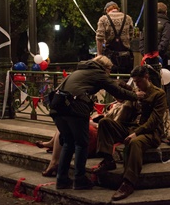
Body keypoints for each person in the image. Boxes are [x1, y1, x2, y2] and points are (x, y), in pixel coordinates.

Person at [50, 56, 142, 190]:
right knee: (81, 143)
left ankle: (62, 179)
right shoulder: (98, 72)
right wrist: (136, 96)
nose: (109, 73)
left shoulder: (80, 70)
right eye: (109, 69)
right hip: (75, 107)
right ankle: (79, 179)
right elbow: (115, 89)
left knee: (68, 143)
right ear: (104, 67)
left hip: (57, 106)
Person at [92, 65, 168, 201]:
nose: (137, 84)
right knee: (105, 123)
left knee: (134, 142)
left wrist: (136, 133)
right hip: (131, 127)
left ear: (146, 78)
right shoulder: (135, 92)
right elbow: (126, 114)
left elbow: (154, 121)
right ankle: (108, 159)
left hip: (149, 132)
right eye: (134, 81)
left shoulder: (158, 94)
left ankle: (128, 183)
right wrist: (132, 98)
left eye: (139, 81)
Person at [38, 82, 139, 178]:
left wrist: (94, 123)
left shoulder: (126, 105)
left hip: (102, 131)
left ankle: (54, 159)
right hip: (101, 125)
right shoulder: (117, 103)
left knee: (73, 126)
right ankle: (51, 145)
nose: (113, 96)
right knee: (66, 125)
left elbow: (112, 124)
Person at [140, 2, 170, 121]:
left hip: (148, 58)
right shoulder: (166, 24)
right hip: (164, 58)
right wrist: (158, 53)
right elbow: (165, 41)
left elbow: (141, 40)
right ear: (166, 12)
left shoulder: (147, 23)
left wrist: (145, 54)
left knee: (153, 85)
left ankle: (154, 111)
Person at [96, 1, 134, 74]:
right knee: (125, 79)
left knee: (110, 78)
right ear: (117, 8)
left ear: (107, 10)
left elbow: (99, 38)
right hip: (125, 55)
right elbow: (131, 36)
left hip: (110, 56)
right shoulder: (128, 18)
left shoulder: (103, 19)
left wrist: (99, 55)